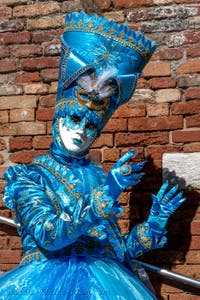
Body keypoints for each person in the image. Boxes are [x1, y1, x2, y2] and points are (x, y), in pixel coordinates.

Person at [0, 12, 185, 299]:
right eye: (74, 119)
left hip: (108, 285)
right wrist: (109, 190)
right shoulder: (29, 176)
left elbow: (114, 252)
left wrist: (155, 222)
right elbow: (50, 234)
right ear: (57, 117)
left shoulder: (96, 175)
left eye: (90, 126)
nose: (81, 131)